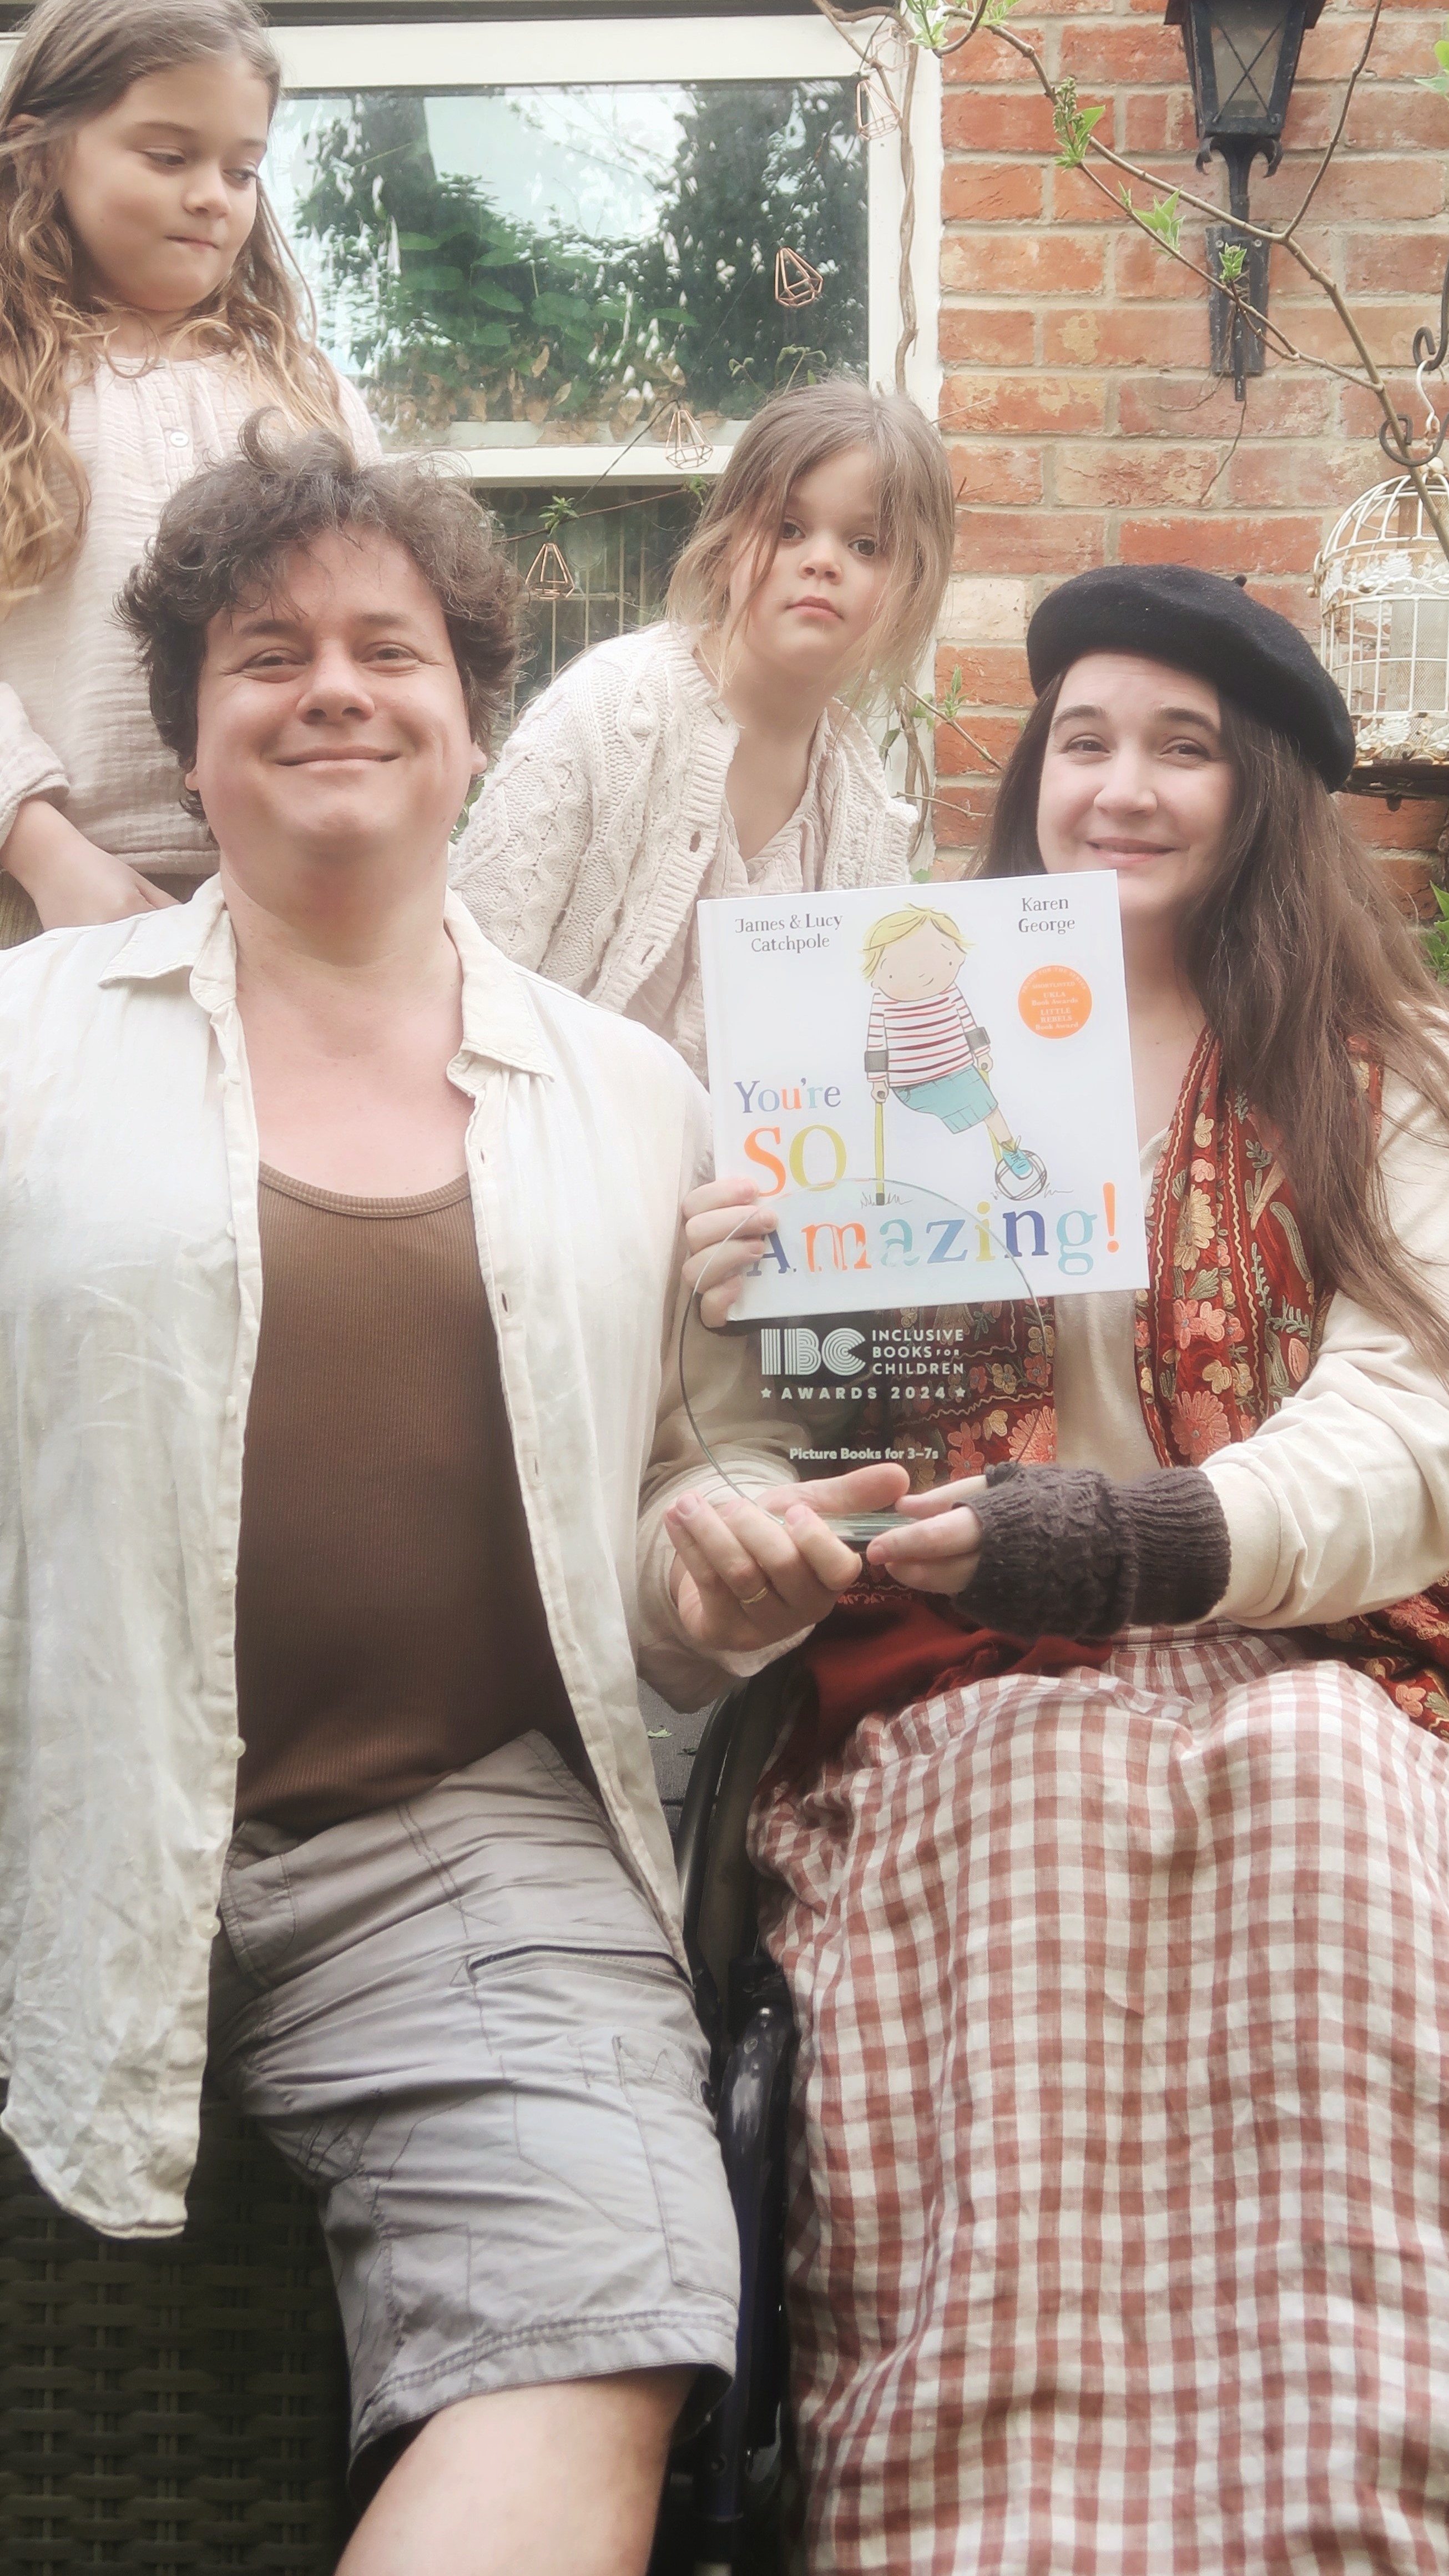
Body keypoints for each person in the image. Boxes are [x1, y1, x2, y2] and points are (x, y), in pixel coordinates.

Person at [0, 421, 854, 2575]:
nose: (332, 687)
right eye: (264, 650)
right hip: (52, 1801)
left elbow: (691, 1492)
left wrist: (720, 1560)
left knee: (617, 2305)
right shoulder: (22, 1042)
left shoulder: (640, 1097)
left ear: (475, 721)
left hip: (456, 1847)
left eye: (391, 647)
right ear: (188, 728)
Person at [672, 564, 1449, 2569]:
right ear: (1030, 771)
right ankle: (979, 2516)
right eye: (1083, 737)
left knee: (1327, 1802)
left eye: (1182, 745)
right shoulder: (884, 1036)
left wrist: (1125, 1537)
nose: (1120, 783)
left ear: (1261, 787)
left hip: (1319, 1656)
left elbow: (1416, 1425)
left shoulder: (1387, 1065)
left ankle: (1346, 2504)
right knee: (1017, 1816)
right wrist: (734, 1319)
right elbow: (762, 1460)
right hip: (958, 1665)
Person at [451, 378, 956, 1080]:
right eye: (786, 528)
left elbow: (852, 1054)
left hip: (750, 1185)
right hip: (557, 1157)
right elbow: (472, 978)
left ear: (912, 585)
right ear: (724, 543)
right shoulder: (608, 710)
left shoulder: (862, 805)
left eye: (867, 544)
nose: (821, 560)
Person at [0, 0, 375, 946]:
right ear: (40, 152)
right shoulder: (14, 381)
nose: (214, 195)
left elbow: (391, 611)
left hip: (294, 895)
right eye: (168, 157)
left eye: (242, 169)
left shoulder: (307, 388)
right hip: (42, 901)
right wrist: (41, 849)